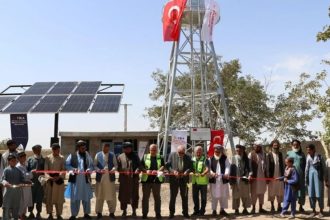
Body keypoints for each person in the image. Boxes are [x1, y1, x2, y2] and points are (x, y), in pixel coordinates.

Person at [66, 140, 94, 220]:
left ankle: (86, 213)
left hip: (85, 180)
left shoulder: (87, 155)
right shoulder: (72, 155)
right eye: (82, 148)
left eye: (84, 148)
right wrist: (73, 169)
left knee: (86, 197)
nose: (84, 150)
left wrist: (89, 169)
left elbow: (91, 165)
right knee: (75, 198)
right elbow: (67, 165)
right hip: (75, 181)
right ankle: (74, 214)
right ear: (78, 148)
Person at [166, 145, 192, 219]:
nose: (181, 154)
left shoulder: (188, 156)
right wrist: (173, 171)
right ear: (177, 151)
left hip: (185, 180)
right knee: (173, 197)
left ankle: (185, 213)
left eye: (182, 153)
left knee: (185, 197)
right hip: (174, 179)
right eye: (179, 152)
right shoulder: (171, 155)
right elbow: (168, 166)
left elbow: (191, 167)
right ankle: (171, 213)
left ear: (185, 151)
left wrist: (187, 171)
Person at [141, 144, 165, 219]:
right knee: (145, 198)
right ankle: (144, 214)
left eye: (155, 150)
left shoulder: (160, 157)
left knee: (157, 198)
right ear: (149, 150)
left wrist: (158, 170)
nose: (153, 151)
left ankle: (158, 213)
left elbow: (163, 166)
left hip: (156, 181)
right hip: (146, 180)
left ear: (157, 150)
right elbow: (141, 166)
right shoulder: (145, 156)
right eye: (152, 150)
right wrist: (146, 170)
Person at [94, 143, 118, 219]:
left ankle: (112, 212)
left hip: (110, 178)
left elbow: (116, 165)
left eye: (107, 147)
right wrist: (98, 170)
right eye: (105, 147)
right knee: (99, 195)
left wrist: (113, 170)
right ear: (102, 147)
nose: (106, 149)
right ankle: (99, 212)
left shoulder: (112, 155)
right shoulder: (98, 154)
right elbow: (94, 165)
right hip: (100, 178)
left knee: (111, 196)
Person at [117, 142, 141, 217]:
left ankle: (134, 211)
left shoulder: (135, 156)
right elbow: (118, 167)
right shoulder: (120, 156)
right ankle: (124, 211)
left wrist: (137, 169)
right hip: (124, 180)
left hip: (134, 179)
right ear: (123, 149)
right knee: (123, 195)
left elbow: (140, 165)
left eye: (129, 148)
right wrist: (123, 171)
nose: (128, 149)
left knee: (134, 195)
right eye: (126, 148)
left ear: (131, 148)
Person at [2, 153, 27, 220]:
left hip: (17, 192)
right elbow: (3, 179)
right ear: (9, 161)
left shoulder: (18, 170)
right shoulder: (6, 170)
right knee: (6, 207)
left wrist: (25, 182)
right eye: (12, 161)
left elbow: (22, 179)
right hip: (8, 192)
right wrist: (6, 183)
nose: (14, 162)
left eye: (15, 161)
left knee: (16, 207)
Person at [44, 143, 66, 220]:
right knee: (49, 198)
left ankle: (59, 214)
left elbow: (63, 169)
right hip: (50, 181)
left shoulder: (62, 158)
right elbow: (45, 170)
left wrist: (59, 176)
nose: (58, 151)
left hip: (59, 181)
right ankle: (50, 214)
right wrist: (49, 177)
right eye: (56, 150)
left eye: (59, 150)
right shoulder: (47, 158)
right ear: (53, 150)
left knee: (59, 199)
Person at [209, 144, 230, 216]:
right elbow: (209, 169)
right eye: (215, 151)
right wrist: (212, 173)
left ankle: (222, 210)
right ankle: (214, 210)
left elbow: (227, 166)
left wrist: (226, 174)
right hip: (214, 181)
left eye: (218, 152)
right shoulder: (211, 158)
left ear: (220, 151)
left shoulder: (225, 158)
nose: (217, 153)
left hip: (222, 181)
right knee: (214, 196)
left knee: (223, 195)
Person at [305, 143, 326, 217]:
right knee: (311, 194)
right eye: (307, 150)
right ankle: (313, 210)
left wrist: (325, 179)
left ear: (313, 149)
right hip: (310, 178)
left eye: (309, 150)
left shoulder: (320, 157)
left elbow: (324, 168)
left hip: (318, 178)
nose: (308, 152)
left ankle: (321, 211)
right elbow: (306, 169)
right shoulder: (308, 157)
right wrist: (306, 179)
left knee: (319, 194)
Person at [230, 144, 251, 215]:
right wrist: (231, 182)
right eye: (237, 150)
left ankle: (245, 209)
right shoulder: (233, 158)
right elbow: (231, 170)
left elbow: (250, 169)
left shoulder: (247, 159)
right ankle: (236, 210)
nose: (238, 151)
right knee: (236, 195)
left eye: (239, 150)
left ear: (242, 150)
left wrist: (250, 175)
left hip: (245, 180)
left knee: (245, 195)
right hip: (236, 180)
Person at [286, 139, 306, 212]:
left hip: (301, 175)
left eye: (297, 144)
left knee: (301, 191)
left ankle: (301, 206)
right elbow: (286, 164)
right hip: (292, 176)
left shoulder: (302, 154)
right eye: (294, 144)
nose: (295, 145)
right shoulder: (289, 153)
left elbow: (305, 165)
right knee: (292, 191)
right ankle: (292, 208)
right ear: (292, 145)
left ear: (299, 145)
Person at [27, 144, 45, 219]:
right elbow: (27, 170)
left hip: (40, 183)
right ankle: (31, 213)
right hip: (32, 183)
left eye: (40, 149)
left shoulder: (43, 159)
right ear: (33, 150)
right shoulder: (29, 159)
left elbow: (45, 171)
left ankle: (38, 213)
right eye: (37, 149)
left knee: (39, 199)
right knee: (31, 198)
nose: (38, 151)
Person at [248, 142, 267, 214]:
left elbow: (265, 165)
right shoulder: (251, 154)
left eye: (258, 147)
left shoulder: (263, 154)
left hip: (262, 177)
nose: (256, 148)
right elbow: (249, 165)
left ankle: (261, 208)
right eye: (255, 146)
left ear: (260, 147)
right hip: (254, 177)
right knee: (254, 193)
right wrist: (250, 174)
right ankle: (253, 208)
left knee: (261, 192)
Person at [266, 140, 284, 212]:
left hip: (279, 176)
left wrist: (283, 176)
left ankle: (279, 206)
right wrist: (268, 177)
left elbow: (282, 164)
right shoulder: (269, 155)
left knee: (280, 191)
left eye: (277, 146)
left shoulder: (280, 154)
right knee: (271, 191)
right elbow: (267, 167)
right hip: (272, 176)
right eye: (274, 145)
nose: (276, 147)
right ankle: (272, 206)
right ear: (272, 146)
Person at [191, 145, 209, 216]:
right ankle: (196, 211)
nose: (198, 153)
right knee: (195, 197)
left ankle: (202, 211)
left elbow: (207, 168)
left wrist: (203, 173)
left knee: (203, 198)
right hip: (194, 181)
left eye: (199, 152)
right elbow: (191, 168)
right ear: (195, 152)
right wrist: (192, 172)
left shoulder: (205, 159)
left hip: (203, 182)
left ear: (202, 152)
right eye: (197, 152)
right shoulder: (192, 159)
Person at [16, 151, 33, 220]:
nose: (24, 158)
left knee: (26, 202)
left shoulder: (25, 165)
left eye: (24, 156)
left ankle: (23, 214)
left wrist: (30, 174)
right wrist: (30, 174)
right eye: (22, 157)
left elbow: (30, 176)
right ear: (19, 158)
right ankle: (20, 215)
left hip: (27, 187)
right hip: (22, 187)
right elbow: (22, 177)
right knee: (21, 202)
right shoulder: (18, 166)